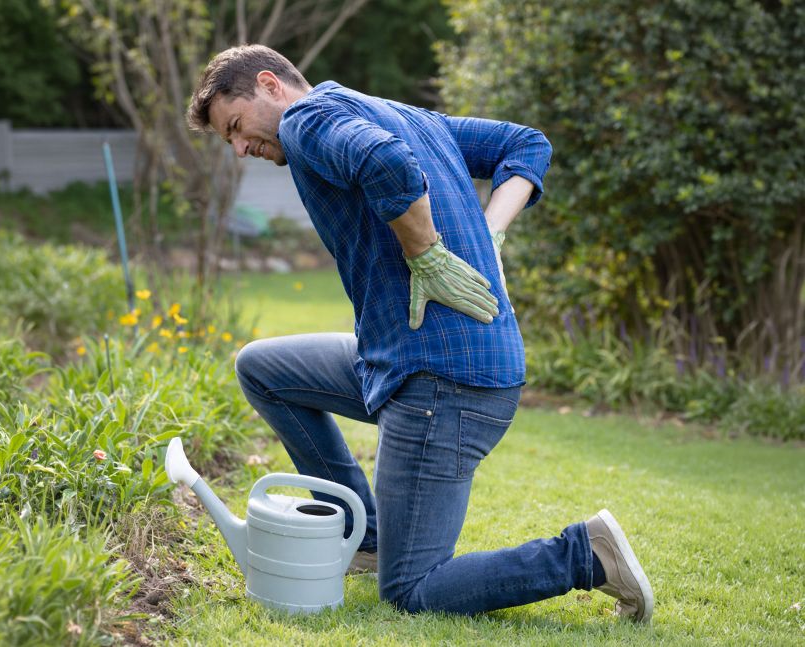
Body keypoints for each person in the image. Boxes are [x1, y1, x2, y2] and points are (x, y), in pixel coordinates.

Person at [186, 44, 653, 623]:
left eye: (235, 126)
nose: (239, 148)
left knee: (411, 589)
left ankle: (585, 556)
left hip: (443, 383)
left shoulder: (304, 121)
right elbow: (526, 143)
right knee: (263, 368)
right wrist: (491, 231)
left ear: (270, 84)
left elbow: (385, 163)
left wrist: (427, 254)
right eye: (227, 140)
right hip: (410, 359)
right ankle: (367, 535)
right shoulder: (406, 115)